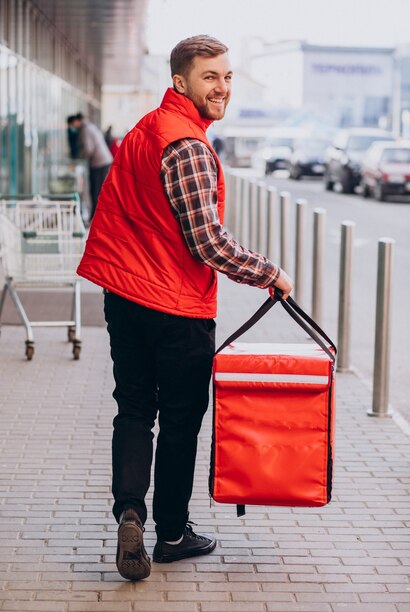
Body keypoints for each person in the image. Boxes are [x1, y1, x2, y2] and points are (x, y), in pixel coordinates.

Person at [76, 34, 294, 581]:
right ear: (180, 82)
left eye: (226, 77)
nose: (221, 87)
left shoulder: (145, 131)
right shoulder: (188, 146)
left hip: (124, 298)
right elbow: (208, 243)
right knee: (178, 422)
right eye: (209, 78)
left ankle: (130, 510)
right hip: (174, 306)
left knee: (132, 409)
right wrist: (270, 273)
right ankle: (171, 534)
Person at [68, 113, 113, 220]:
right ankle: (97, 216)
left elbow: (88, 149)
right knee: (97, 189)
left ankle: (96, 217)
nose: (73, 127)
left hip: (99, 162)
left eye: (72, 124)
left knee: (95, 190)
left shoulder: (85, 130)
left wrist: (81, 159)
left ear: (76, 121)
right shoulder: (89, 126)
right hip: (103, 160)